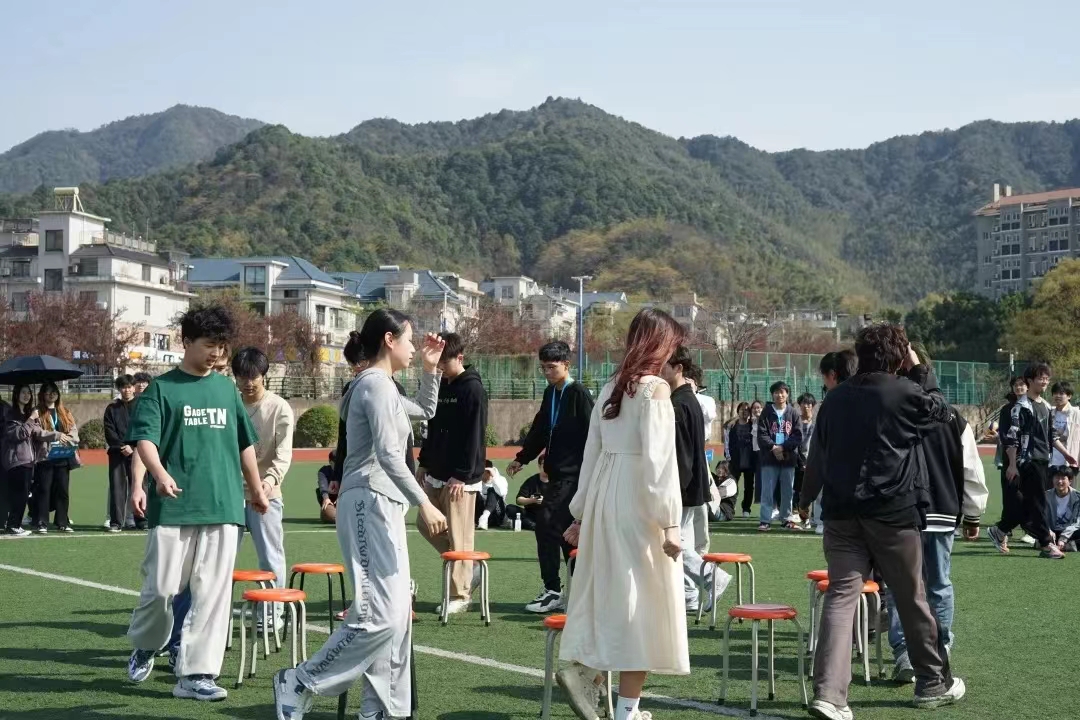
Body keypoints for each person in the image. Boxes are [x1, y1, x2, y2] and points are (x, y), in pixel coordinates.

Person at [273, 309, 447, 720]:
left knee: (397, 616)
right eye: (409, 339)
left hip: (384, 503)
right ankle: (300, 681)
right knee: (376, 616)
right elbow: (388, 454)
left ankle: (385, 710)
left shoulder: (383, 386)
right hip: (369, 501)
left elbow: (426, 409)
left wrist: (430, 369)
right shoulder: (374, 385)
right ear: (389, 339)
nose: (413, 346)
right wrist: (424, 501)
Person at [798, 323, 965, 717]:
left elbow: (817, 456)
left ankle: (829, 694)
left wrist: (804, 501)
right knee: (911, 597)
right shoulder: (904, 391)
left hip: (840, 513)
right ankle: (931, 682)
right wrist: (919, 370)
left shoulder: (835, 398)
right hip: (893, 512)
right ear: (899, 356)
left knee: (842, 598)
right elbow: (943, 413)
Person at [124, 306, 269, 702]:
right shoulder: (160, 389)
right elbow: (145, 439)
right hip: (173, 507)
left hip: (223, 505)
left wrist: (256, 489)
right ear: (186, 342)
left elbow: (244, 443)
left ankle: (195, 674)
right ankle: (146, 644)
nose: (216, 353)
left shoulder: (226, 389)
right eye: (209, 345)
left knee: (212, 595)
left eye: (221, 346)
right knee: (161, 589)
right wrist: (158, 474)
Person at [887, 345, 988, 683]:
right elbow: (971, 469)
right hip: (942, 511)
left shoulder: (893, 412)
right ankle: (940, 647)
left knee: (901, 585)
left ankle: (905, 653)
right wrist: (973, 515)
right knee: (939, 583)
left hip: (902, 512)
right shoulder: (953, 416)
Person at [508, 340, 595, 614]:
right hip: (557, 476)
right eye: (543, 367)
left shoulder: (579, 394)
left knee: (546, 524)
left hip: (575, 476)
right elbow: (540, 429)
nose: (546, 372)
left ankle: (553, 590)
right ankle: (578, 592)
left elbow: (594, 435)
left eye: (552, 367)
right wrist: (522, 458)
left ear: (566, 365)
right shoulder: (550, 393)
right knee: (566, 534)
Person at [416, 332, 488, 615]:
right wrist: (424, 462)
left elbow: (475, 435)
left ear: (460, 358)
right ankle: (469, 566)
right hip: (436, 471)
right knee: (425, 523)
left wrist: (462, 474)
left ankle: (461, 594)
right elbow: (431, 427)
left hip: (461, 478)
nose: (441, 369)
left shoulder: (473, 389)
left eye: (444, 363)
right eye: (438, 364)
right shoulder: (440, 385)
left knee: (460, 535)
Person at [662, 346, 728, 614]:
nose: (659, 370)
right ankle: (689, 593)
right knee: (681, 541)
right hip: (691, 482)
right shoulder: (686, 399)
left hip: (684, 485)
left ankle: (712, 578)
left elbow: (681, 453)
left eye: (664, 365)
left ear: (679, 368)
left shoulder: (680, 403)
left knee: (673, 541)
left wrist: (675, 488)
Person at [988, 363, 1078, 560]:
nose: (1045, 382)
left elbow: (1051, 435)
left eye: (1047, 378)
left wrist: (1067, 454)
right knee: (1036, 503)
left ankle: (1000, 530)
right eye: (1040, 378)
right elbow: (1012, 438)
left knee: (1026, 505)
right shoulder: (1021, 407)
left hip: (1042, 461)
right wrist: (1012, 465)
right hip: (1025, 462)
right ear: (1030, 380)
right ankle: (1046, 544)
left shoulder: (1045, 406)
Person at [4, 385, 67, 537]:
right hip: (16, 460)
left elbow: (39, 433)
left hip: (30, 460)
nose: (26, 395)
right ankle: (13, 525)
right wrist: (31, 418)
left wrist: (56, 435)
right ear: (16, 395)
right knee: (18, 494)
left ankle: (15, 525)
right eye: (23, 392)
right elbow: (19, 434)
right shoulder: (11, 414)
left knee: (24, 494)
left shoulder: (28, 413)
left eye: (28, 393)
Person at [31, 381, 80, 534]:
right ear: (42, 394)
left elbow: (74, 432)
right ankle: (42, 522)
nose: (51, 394)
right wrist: (56, 435)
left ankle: (62, 522)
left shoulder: (65, 411)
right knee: (44, 490)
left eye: (54, 391)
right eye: (47, 391)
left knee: (63, 491)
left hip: (63, 456)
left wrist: (68, 438)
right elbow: (37, 432)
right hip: (45, 458)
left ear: (58, 394)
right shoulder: (37, 412)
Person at [757, 381, 802, 532]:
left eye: (782, 392)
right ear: (772, 395)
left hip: (788, 458)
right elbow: (762, 434)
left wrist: (783, 448)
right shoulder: (766, 412)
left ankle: (786, 519)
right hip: (769, 458)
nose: (779, 395)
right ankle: (765, 520)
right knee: (767, 491)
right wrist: (773, 447)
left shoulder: (793, 413)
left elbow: (797, 435)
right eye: (776, 392)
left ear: (787, 394)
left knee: (788, 491)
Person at [104, 375, 138, 533]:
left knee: (139, 485)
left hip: (138, 453)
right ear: (119, 389)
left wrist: (133, 446)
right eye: (124, 387)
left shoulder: (142, 406)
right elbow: (109, 431)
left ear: (134, 388)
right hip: (117, 454)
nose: (127, 390)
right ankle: (116, 522)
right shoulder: (112, 408)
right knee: (117, 488)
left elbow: (145, 428)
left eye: (129, 386)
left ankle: (141, 520)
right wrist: (122, 446)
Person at [725, 402, 756, 517]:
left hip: (750, 460)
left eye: (747, 410)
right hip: (735, 460)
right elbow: (727, 441)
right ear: (738, 411)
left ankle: (746, 509)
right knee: (733, 485)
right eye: (742, 409)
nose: (744, 412)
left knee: (749, 486)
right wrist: (728, 456)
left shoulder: (754, 425)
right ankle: (731, 507)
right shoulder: (731, 426)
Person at [508, 457, 547, 532]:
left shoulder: (557, 481)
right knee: (510, 508)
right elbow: (519, 500)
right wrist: (531, 500)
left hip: (549, 514)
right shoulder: (531, 481)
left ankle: (531, 525)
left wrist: (545, 501)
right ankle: (533, 525)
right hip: (531, 515)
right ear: (539, 465)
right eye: (544, 464)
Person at [1046, 467, 1080, 552]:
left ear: (1070, 481)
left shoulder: (1078, 497)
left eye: (1063, 478)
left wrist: (1064, 537)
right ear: (1052, 480)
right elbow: (1041, 517)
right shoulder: (1045, 496)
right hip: (1052, 532)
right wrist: (1048, 530)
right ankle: (1069, 545)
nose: (1060, 481)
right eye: (1057, 478)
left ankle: (1059, 546)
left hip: (1070, 532)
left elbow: (1077, 522)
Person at [1049, 381, 1080, 472]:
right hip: (1051, 461)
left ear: (1069, 396)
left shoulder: (1076, 413)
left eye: (1061, 393)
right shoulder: (1049, 412)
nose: (1057, 396)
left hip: (1070, 461)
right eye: (1055, 393)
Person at [686, 365, 716, 446]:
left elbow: (709, 416)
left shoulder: (707, 400)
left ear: (696, 382)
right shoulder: (676, 399)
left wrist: (692, 395)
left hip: (700, 443)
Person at [476, 461, 509, 530]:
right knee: (474, 491)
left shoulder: (501, 479)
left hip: (497, 515)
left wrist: (494, 478)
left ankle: (484, 517)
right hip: (478, 516)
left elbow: (502, 493)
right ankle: (481, 519)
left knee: (492, 490)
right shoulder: (477, 481)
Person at [317, 451, 338, 524]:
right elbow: (323, 486)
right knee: (330, 516)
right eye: (335, 462)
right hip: (329, 498)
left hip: (342, 497)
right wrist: (326, 498)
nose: (338, 465)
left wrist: (341, 498)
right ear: (330, 461)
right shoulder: (323, 471)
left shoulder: (345, 471)